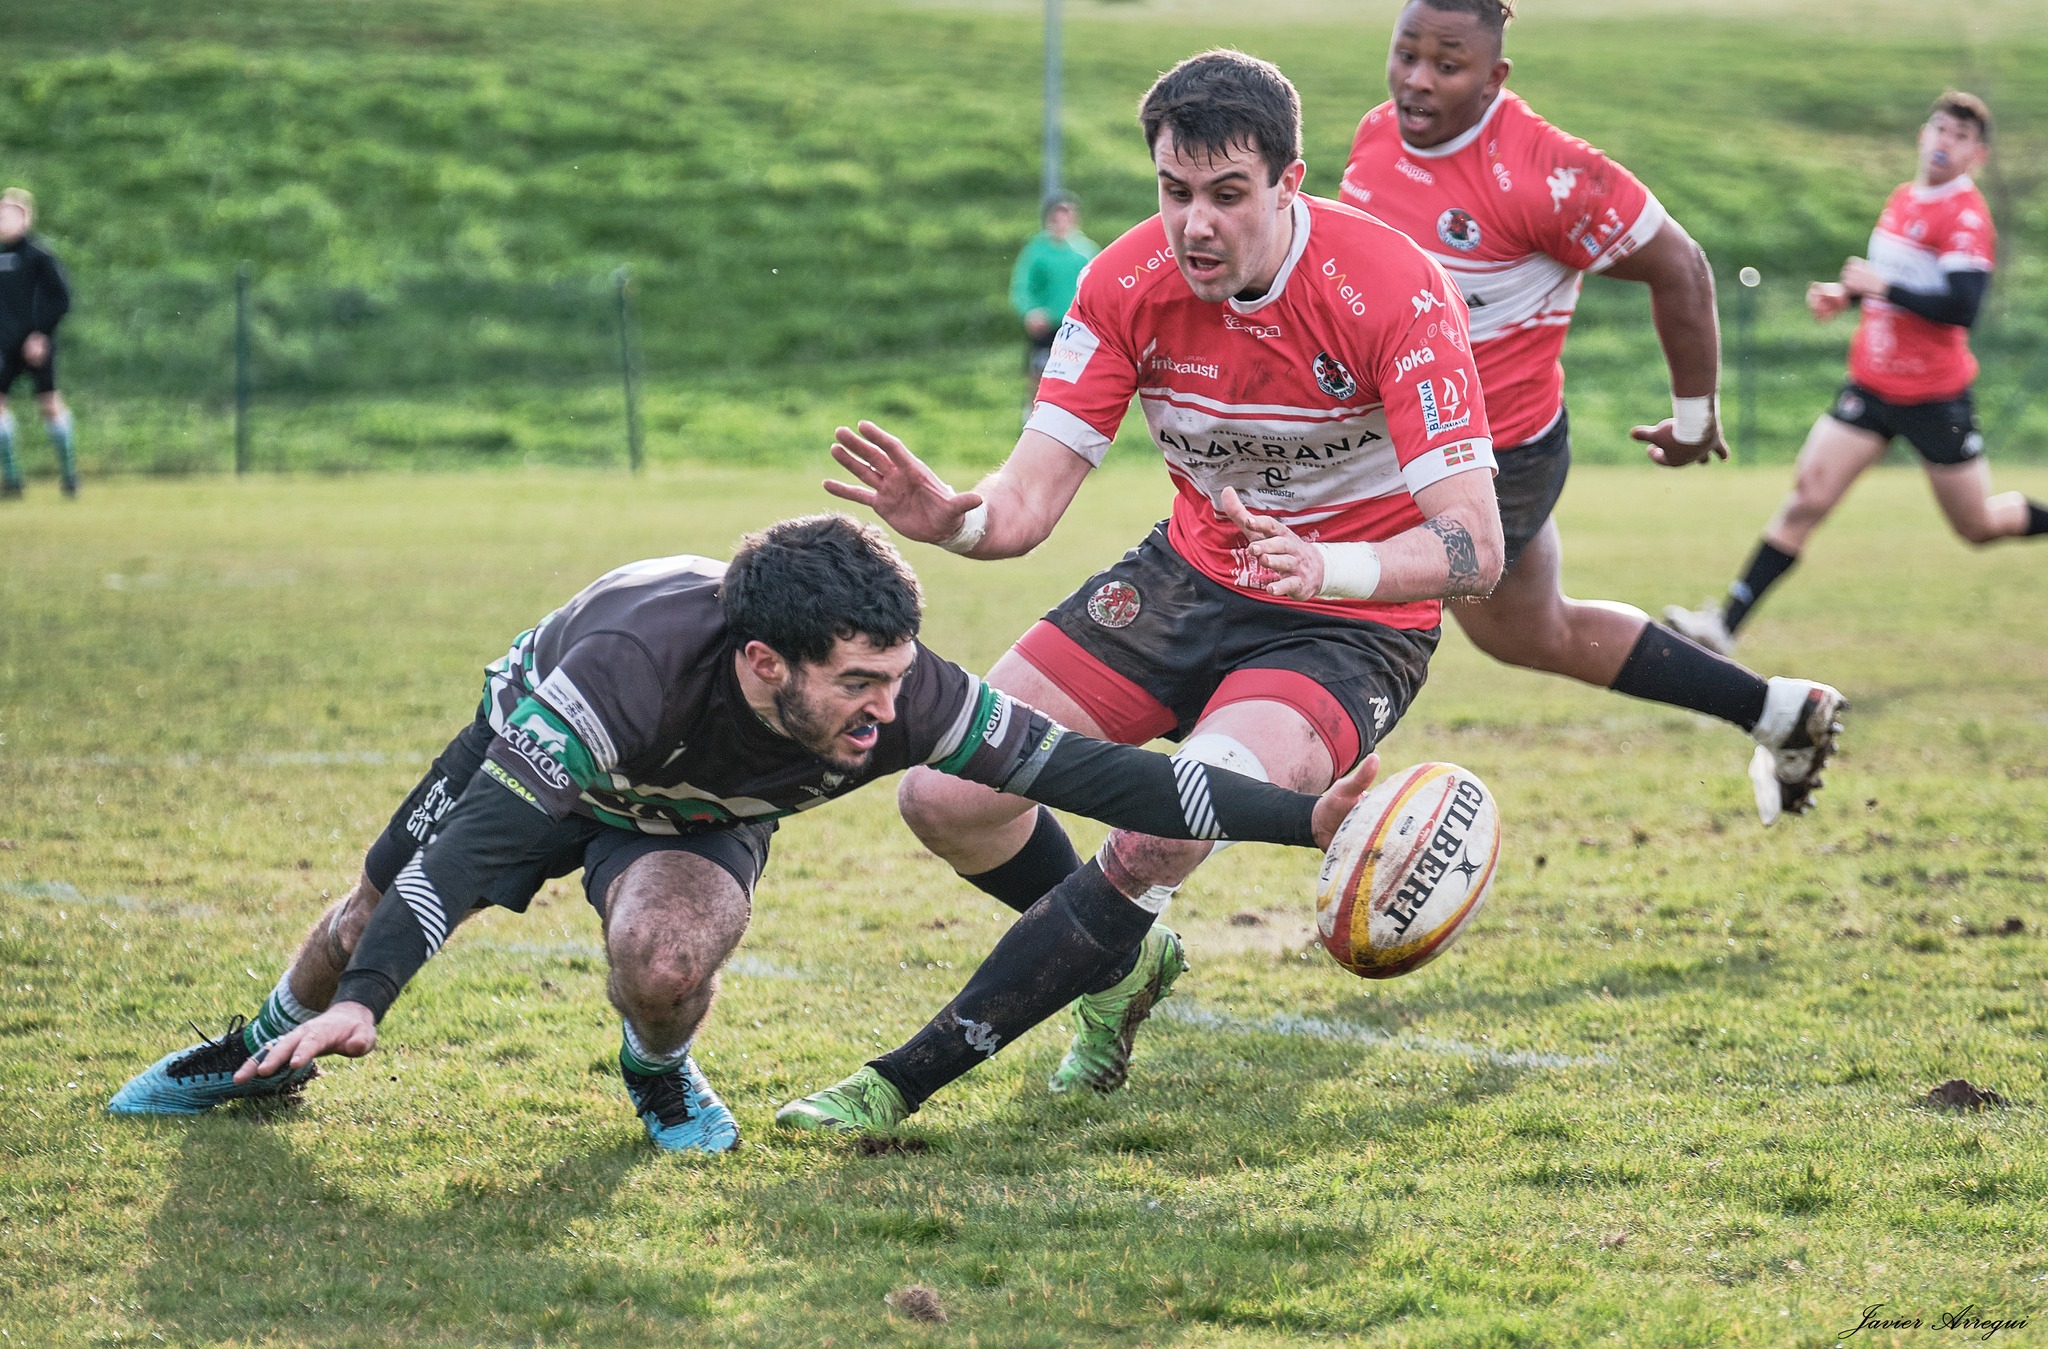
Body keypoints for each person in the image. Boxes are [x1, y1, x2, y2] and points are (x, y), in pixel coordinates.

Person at [107, 515, 1379, 1153]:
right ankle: (262, 1046)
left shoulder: (906, 689)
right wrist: (371, 993)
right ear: (765, 662)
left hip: (690, 821)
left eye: (896, 680)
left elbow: (1112, 781)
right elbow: (481, 843)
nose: (888, 717)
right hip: (544, 772)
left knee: (666, 959)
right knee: (361, 920)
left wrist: (1300, 816)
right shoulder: (625, 667)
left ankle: (655, 1070)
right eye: (857, 690)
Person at [779, 49, 1504, 1134]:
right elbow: (1023, 504)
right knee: (945, 796)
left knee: (1168, 826)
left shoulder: (1392, 289)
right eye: (1173, 192)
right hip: (1185, 576)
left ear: (1288, 183)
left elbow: (1472, 546)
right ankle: (1124, 953)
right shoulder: (1121, 282)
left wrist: (1326, 567)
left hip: (1347, 625)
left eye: (1226, 195)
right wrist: (956, 520)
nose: (1194, 224)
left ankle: (900, 1079)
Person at [1339, 0, 1845, 828]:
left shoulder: (1547, 173)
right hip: (1396, 439)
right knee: (1532, 632)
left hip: (1491, 453)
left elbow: (1681, 266)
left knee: (1322, 592)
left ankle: (1251, 801)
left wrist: (1692, 419)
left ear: (1497, 76)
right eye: (1406, 55)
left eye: (1448, 63)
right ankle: (1781, 711)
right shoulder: (1375, 135)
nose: (1418, 81)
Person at [1665, 92, 2043, 653]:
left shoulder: (1964, 215)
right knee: (1805, 499)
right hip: (1871, 385)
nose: (1946, 141)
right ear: (1923, 134)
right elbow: (1904, 289)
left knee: (1977, 526)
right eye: (1940, 128)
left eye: (1961, 137)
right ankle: (1724, 625)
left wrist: (1878, 287)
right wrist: (1847, 297)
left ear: (1977, 156)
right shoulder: (1902, 199)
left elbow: (1962, 306)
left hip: (1935, 397)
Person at [0, 188, 78, 499]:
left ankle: (70, 476)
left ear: (25, 218)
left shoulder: (39, 256)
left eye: (7, 214)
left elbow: (61, 299)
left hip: (36, 346)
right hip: (5, 346)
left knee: (49, 404)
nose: (2, 220)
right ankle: (13, 479)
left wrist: (41, 334)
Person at [1010, 193, 1099, 408]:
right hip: (1046, 325)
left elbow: (1097, 288)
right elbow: (1022, 285)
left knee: (1075, 376)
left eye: (1067, 216)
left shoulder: (1086, 251)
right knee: (1039, 376)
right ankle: (1032, 418)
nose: (1062, 223)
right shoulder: (1036, 250)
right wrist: (1029, 311)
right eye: (1056, 217)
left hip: (1076, 326)